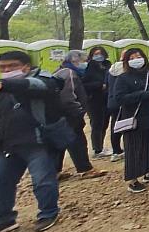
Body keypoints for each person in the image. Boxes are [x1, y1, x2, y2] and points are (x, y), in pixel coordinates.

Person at [0, 51, 63, 232]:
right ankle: (4, 219)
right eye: (3, 67)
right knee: (1, 181)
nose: (7, 70)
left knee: (42, 180)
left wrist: (5, 84)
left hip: (38, 142)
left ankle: (48, 213)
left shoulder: (42, 79)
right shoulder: (3, 92)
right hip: (9, 145)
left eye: (12, 66)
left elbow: (37, 86)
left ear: (26, 66)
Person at [54, 51, 106, 180]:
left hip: (61, 113)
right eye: (82, 61)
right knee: (77, 141)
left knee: (60, 142)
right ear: (74, 61)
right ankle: (85, 169)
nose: (85, 64)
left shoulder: (61, 71)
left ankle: (54, 171)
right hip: (69, 113)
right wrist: (79, 111)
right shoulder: (69, 73)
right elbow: (68, 96)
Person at [114, 48, 149, 193]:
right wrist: (143, 95)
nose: (136, 59)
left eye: (138, 56)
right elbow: (119, 98)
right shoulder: (123, 78)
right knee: (134, 148)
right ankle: (133, 180)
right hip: (134, 118)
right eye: (132, 58)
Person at [83, 46, 117, 160]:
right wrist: (99, 85)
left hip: (107, 98)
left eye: (100, 53)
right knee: (96, 124)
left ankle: (102, 147)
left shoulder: (108, 65)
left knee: (105, 123)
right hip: (94, 100)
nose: (99, 56)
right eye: (96, 54)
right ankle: (97, 149)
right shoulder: (89, 67)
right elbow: (84, 85)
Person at [105, 53, 127, 163]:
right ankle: (125, 149)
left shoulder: (111, 69)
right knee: (127, 126)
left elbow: (106, 85)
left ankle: (116, 150)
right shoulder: (126, 69)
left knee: (115, 126)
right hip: (123, 102)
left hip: (112, 101)